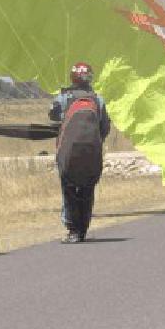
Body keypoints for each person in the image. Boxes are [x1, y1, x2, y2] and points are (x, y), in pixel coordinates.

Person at [48, 62, 111, 243]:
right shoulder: (98, 100)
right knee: (87, 188)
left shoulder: (64, 97)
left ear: (72, 77)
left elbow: (52, 116)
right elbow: (105, 127)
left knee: (68, 188)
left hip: (68, 152)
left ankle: (72, 230)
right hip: (91, 152)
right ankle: (83, 229)